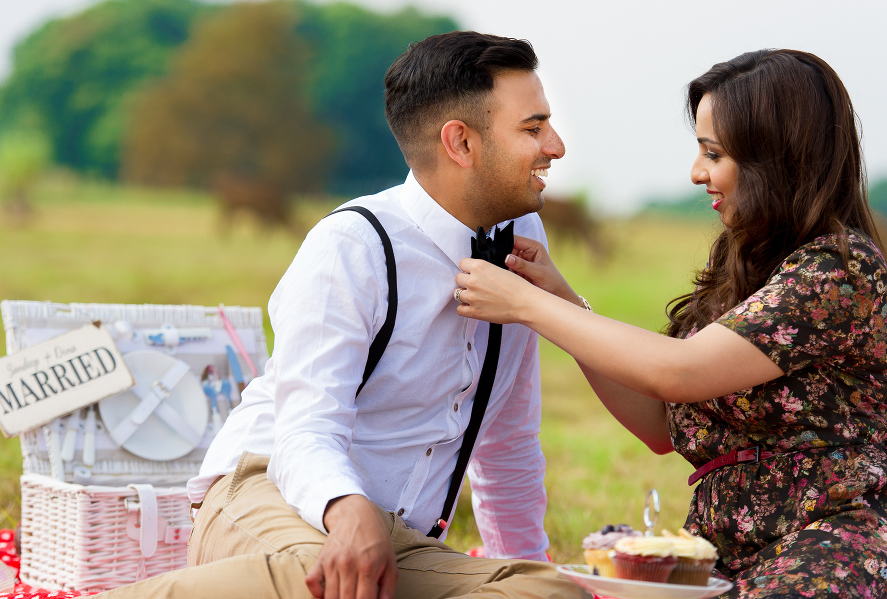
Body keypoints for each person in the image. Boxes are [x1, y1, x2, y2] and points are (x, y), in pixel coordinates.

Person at [96, 31, 587, 599]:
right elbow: (306, 431)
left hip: (399, 539)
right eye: (533, 127)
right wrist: (348, 510)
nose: (555, 145)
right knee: (327, 584)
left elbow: (507, 443)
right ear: (461, 142)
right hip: (274, 494)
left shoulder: (521, 237)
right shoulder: (353, 245)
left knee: (553, 596)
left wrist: (526, 573)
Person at [454, 49, 887, 598]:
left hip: (826, 548)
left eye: (714, 153)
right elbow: (661, 424)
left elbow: (678, 372)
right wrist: (558, 296)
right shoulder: (743, 262)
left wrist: (529, 305)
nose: (697, 172)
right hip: (718, 550)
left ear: (777, 158)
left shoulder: (839, 272)